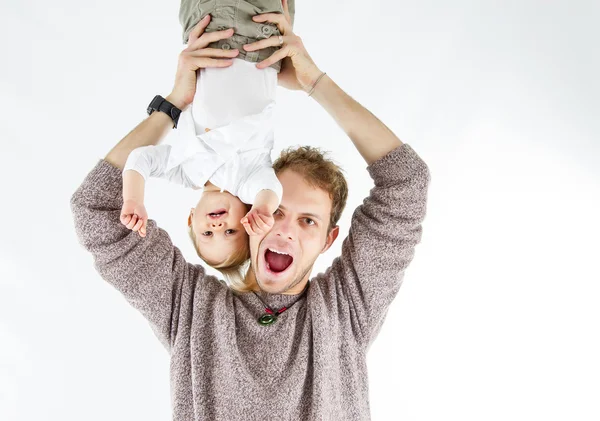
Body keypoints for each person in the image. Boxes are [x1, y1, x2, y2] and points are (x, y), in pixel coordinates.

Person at [70, 2, 431, 420]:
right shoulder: (191, 309)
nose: (284, 230)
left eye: (308, 220)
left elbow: (408, 182)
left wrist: (315, 82)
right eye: (276, 209)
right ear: (248, 211)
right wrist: (172, 103)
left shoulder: (347, 308)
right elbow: (94, 209)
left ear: (329, 239)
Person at [119, 0, 298, 287]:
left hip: (208, 23)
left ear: (192, 219)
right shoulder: (247, 181)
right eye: (230, 233)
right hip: (259, 35)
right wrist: (263, 209)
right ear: (246, 219)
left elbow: (140, 159)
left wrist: (133, 199)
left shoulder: (184, 171)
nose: (218, 227)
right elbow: (270, 188)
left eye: (207, 234)